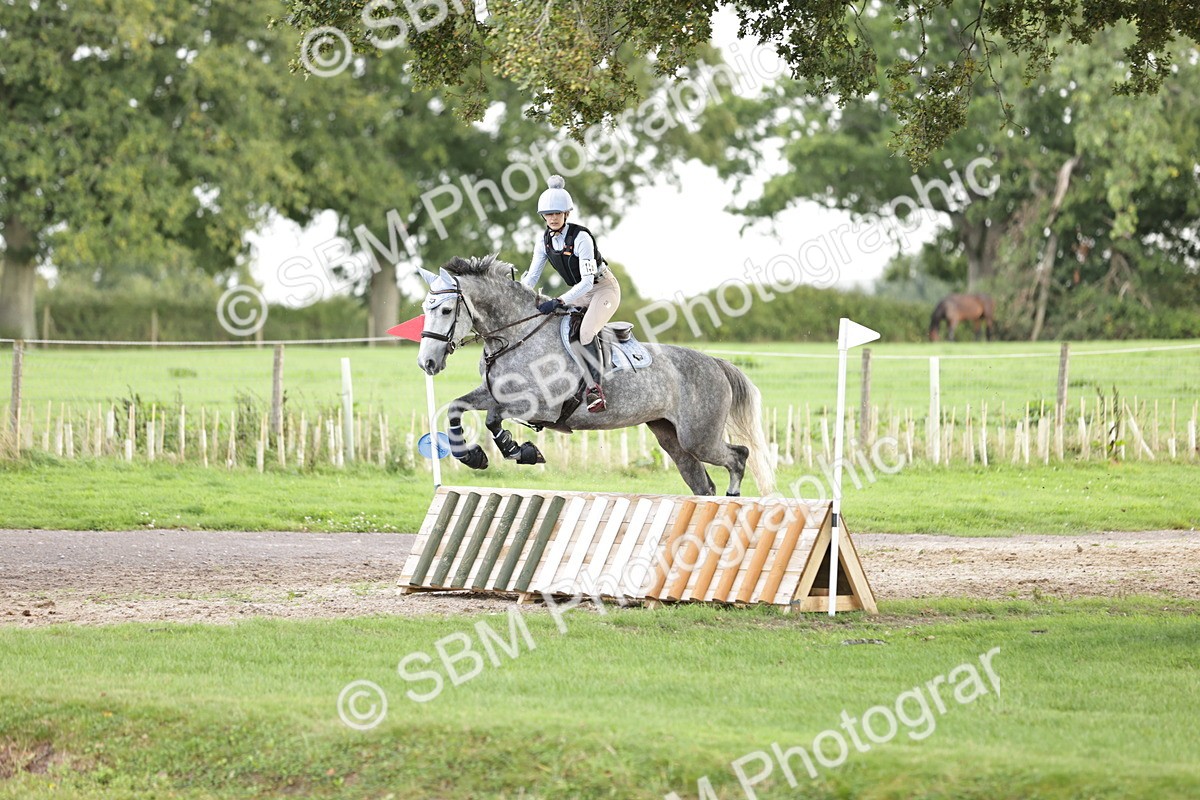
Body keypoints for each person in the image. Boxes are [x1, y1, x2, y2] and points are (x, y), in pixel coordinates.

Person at [521, 175, 622, 412]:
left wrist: (559, 300)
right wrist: (516, 293)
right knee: (553, 325)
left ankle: (595, 389)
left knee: (585, 333)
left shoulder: (581, 238)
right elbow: (532, 277)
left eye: (558, 213)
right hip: (581, 291)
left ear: (566, 214)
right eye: (549, 214)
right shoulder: (543, 240)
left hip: (603, 289)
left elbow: (587, 282)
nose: (553, 218)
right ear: (543, 216)